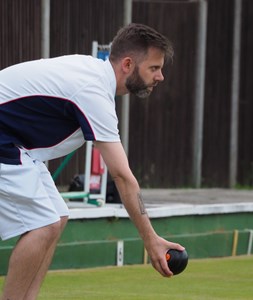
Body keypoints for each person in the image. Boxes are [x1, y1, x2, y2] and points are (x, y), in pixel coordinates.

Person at [0, 23, 185, 299]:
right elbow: (123, 177)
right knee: (44, 224)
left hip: (17, 146)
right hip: (6, 142)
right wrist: (151, 239)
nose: (161, 77)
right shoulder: (93, 90)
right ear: (127, 64)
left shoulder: (93, 75)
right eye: (154, 68)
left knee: (57, 217)